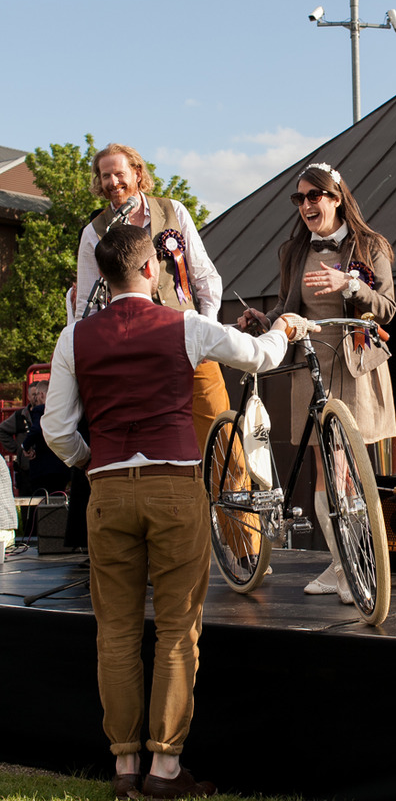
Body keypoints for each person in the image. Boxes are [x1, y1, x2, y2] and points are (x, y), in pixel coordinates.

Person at [42, 224, 301, 799]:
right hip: (174, 485)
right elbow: (260, 356)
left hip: (108, 490)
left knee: (115, 631)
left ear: (105, 278)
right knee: (178, 630)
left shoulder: (74, 338)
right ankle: (165, 770)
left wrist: (94, 461)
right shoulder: (182, 323)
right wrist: (285, 325)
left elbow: (56, 430)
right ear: (150, 270)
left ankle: (125, 768)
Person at [238, 161, 396, 604]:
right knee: (326, 471)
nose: (306, 204)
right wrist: (262, 320)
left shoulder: (371, 245)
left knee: (347, 471)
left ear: (336, 197)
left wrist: (348, 283)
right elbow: (291, 306)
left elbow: (386, 309)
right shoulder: (292, 251)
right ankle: (340, 563)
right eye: (299, 197)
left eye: (314, 195)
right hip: (312, 365)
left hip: (357, 367)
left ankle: (353, 566)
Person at [75, 142, 228, 453]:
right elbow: (86, 306)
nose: (112, 182)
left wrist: (208, 327)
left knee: (221, 433)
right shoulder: (94, 232)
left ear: (137, 172)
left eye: (119, 173)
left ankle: (232, 501)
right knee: (154, 442)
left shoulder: (173, 211)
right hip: (132, 351)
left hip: (189, 338)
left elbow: (205, 277)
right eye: (105, 176)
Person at [0, 381, 39, 498]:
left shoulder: (49, 414)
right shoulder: (20, 416)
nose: (37, 398)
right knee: (27, 507)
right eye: (33, 395)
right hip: (26, 471)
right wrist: (19, 449)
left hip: (46, 470)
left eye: (38, 394)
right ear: (28, 397)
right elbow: (1, 430)